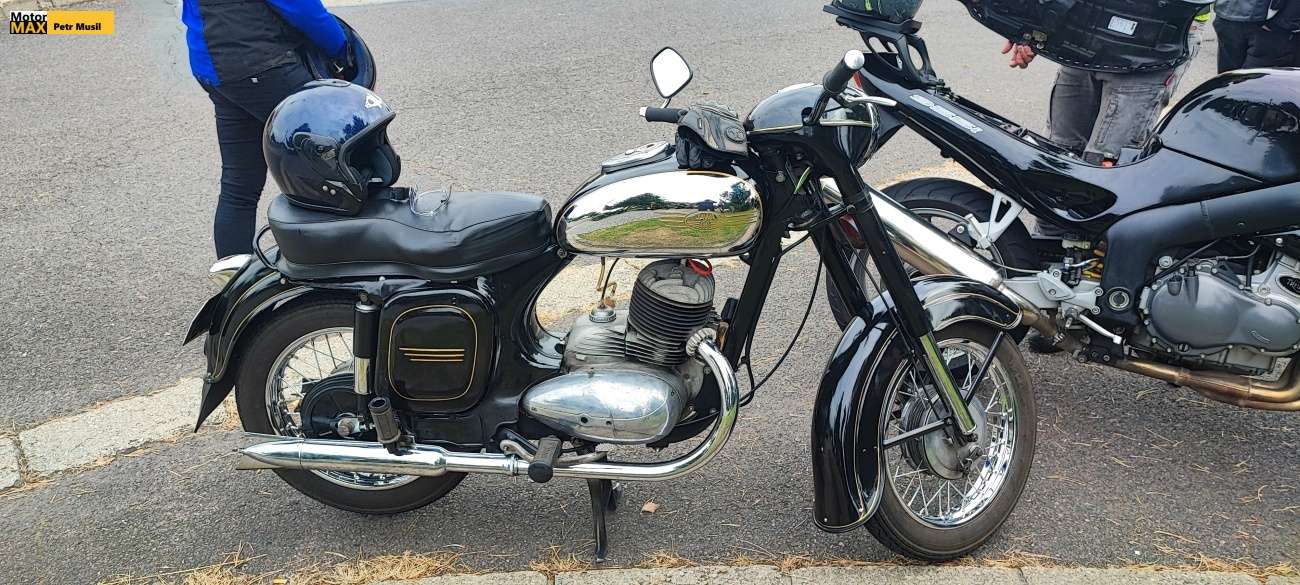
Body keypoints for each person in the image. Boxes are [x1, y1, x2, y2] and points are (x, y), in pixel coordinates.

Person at [180, 0, 352, 258]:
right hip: (262, 61)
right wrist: (341, 47)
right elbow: (301, 8)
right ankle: (340, 260)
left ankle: (233, 275)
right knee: (338, 160)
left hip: (216, 65)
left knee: (239, 186)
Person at [1214, 0, 1300, 72]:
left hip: (1269, 27)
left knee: (1256, 82)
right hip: (1227, 17)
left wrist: (1283, 23)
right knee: (1228, 81)